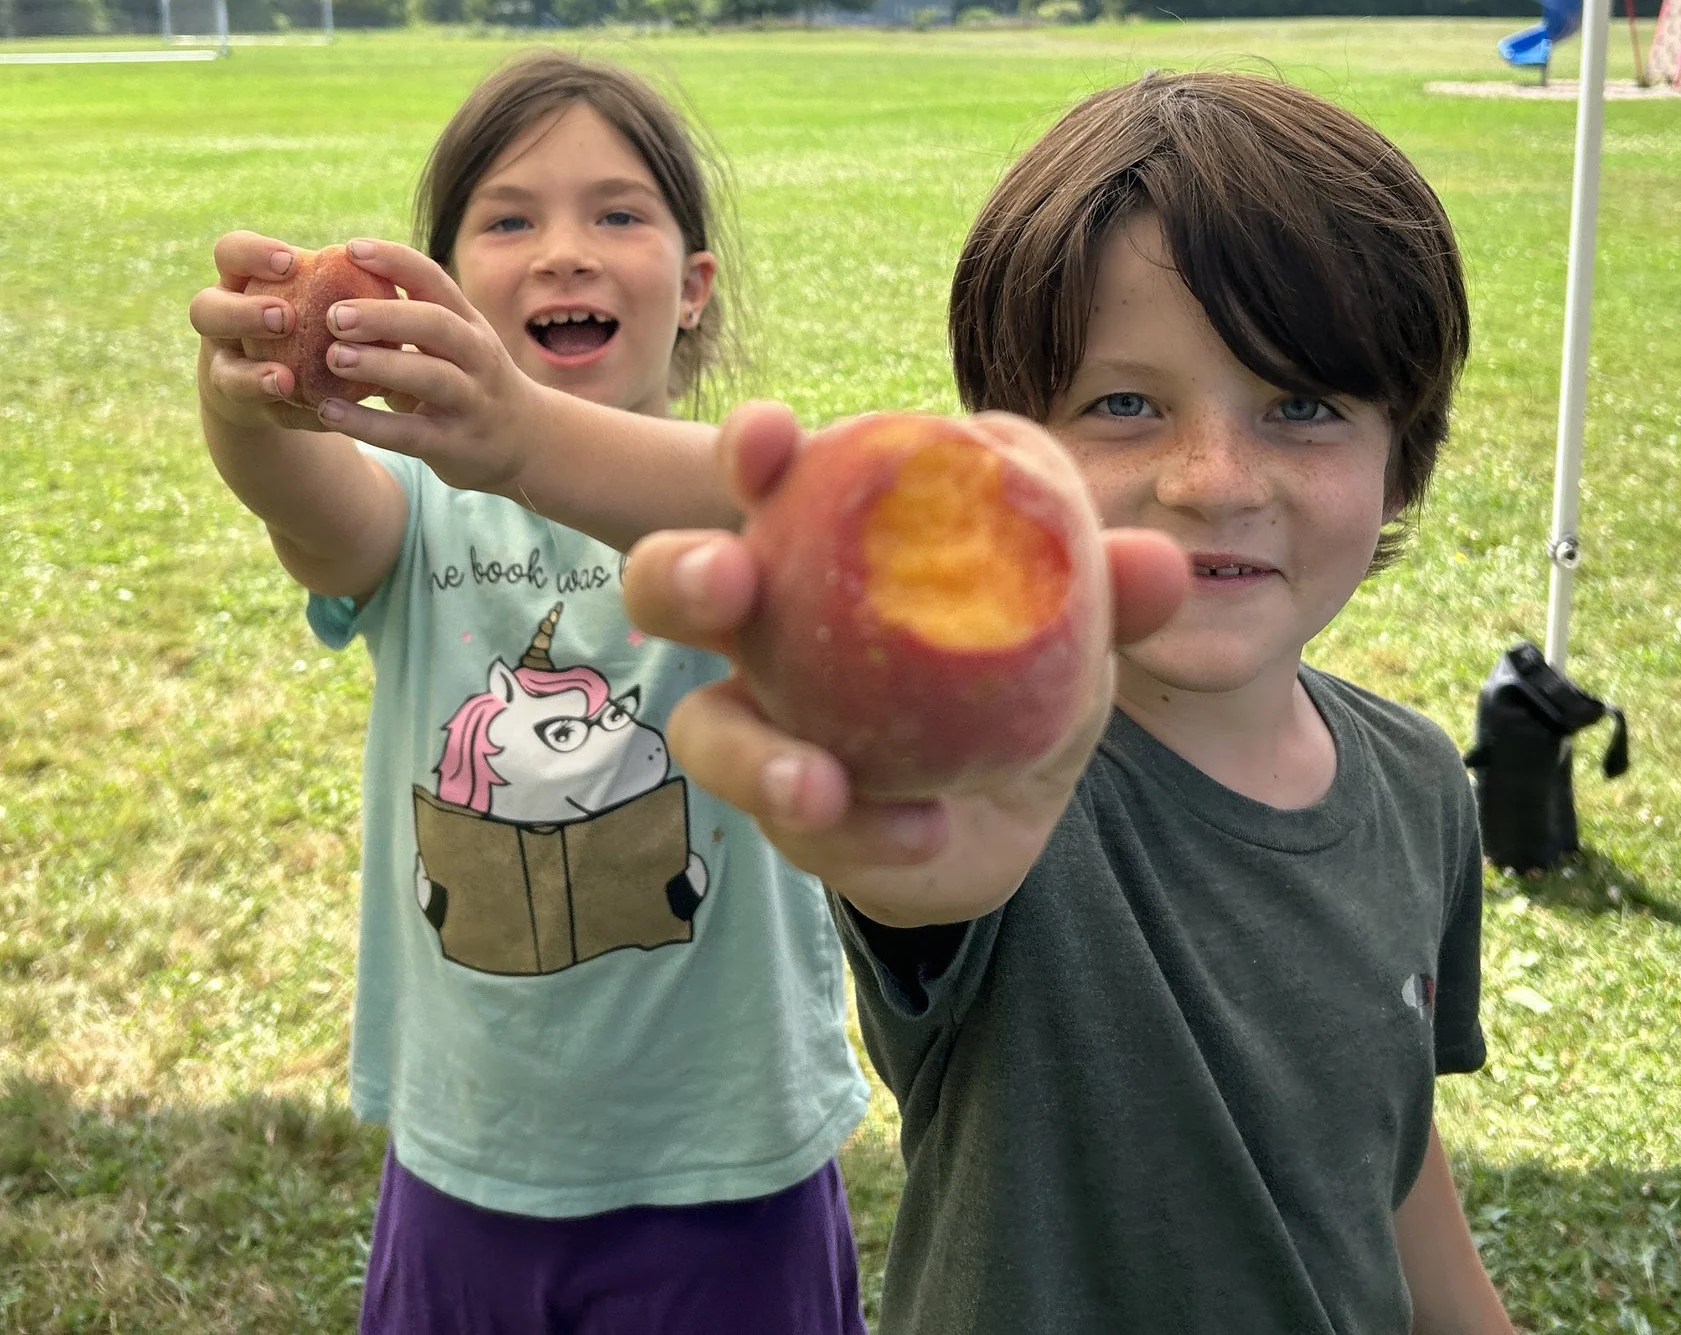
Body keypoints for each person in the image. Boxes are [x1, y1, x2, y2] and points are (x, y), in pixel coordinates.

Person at [627, 70, 1516, 1333]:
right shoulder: (1001, 785)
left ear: (1401, 447)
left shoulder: (1421, 783)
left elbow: (1385, 1136)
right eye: (1124, 404)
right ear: (1012, 455)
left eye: (1303, 405)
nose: (1213, 479)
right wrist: (905, 832)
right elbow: (926, 876)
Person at [188, 50, 868, 1335]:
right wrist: (247, 404)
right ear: (432, 288)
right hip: (470, 1166)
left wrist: (527, 441)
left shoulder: (744, 491)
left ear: (692, 290)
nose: (564, 251)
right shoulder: (420, 517)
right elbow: (306, 507)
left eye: (618, 213)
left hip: (732, 1169)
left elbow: (835, 509)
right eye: (508, 220)